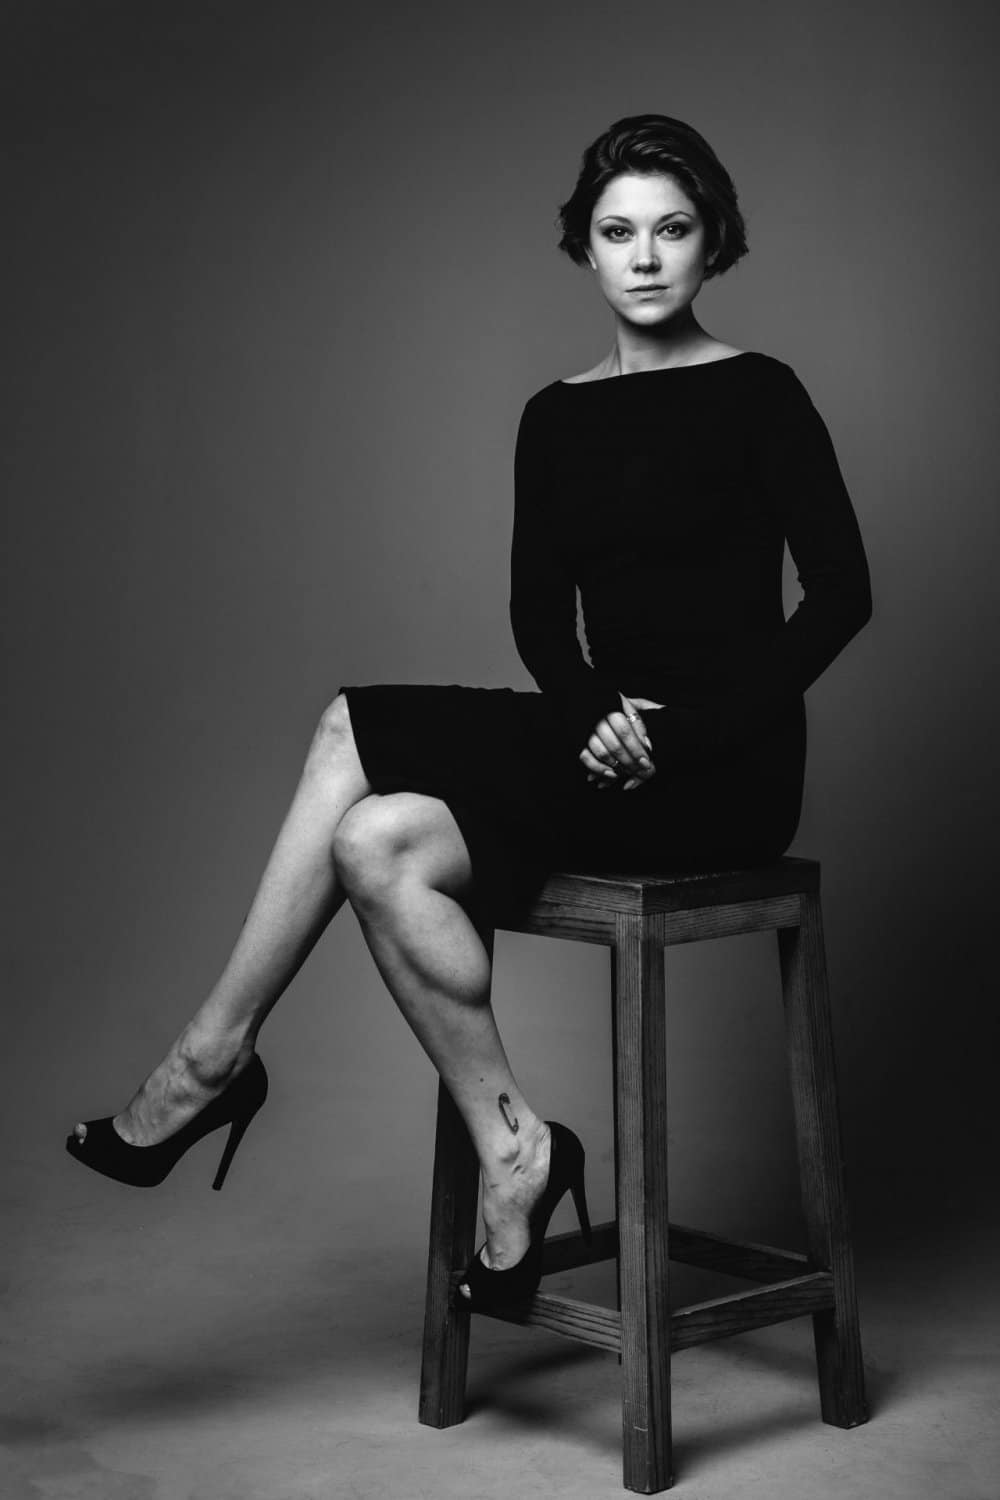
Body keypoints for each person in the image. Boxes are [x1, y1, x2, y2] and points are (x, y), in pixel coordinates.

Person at [65, 113, 872, 1311]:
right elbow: (539, 617)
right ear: (584, 249)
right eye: (618, 233)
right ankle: (517, 1149)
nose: (645, 257)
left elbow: (843, 594)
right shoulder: (555, 415)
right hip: (601, 745)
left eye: (672, 230)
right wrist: (595, 713)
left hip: (724, 772)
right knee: (372, 842)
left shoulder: (762, 394)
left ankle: (208, 1060)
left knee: (350, 724)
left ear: (713, 242)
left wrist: (683, 733)